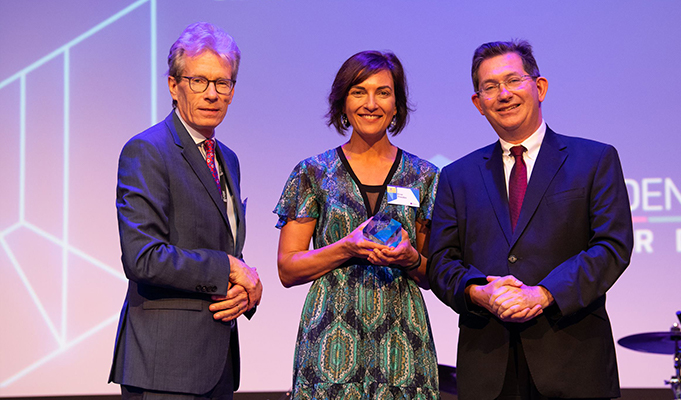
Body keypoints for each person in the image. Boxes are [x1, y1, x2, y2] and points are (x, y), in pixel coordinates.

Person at [427, 40, 634, 400]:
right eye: (490, 87)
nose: (503, 94)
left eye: (513, 81)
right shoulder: (457, 176)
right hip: (488, 368)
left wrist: (544, 293)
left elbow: (612, 246)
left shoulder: (594, 159)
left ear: (539, 88)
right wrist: (479, 292)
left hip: (574, 362)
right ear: (479, 104)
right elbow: (441, 261)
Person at [274, 51, 440, 399]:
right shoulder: (313, 173)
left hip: (403, 341)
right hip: (329, 341)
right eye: (358, 91)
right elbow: (288, 270)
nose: (371, 103)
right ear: (342, 103)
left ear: (397, 105)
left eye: (383, 92)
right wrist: (345, 247)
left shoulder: (424, 176)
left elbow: (432, 274)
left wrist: (409, 258)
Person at [109, 22, 262, 399]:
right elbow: (143, 258)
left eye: (222, 83)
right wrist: (229, 268)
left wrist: (244, 292)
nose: (212, 94)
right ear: (173, 86)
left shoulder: (228, 159)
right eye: (199, 81)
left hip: (218, 366)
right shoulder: (147, 150)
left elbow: (221, 245)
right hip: (164, 369)